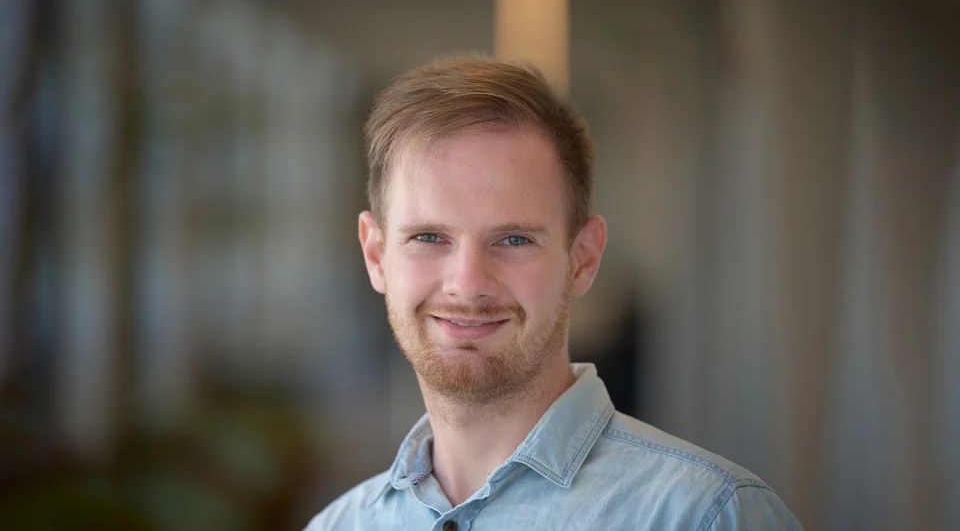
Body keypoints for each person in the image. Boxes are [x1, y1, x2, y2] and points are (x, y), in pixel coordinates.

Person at [306, 56, 802, 530]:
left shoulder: (706, 517)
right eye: (429, 237)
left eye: (514, 240)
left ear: (582, 258)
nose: (468, 283)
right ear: (376, 256)